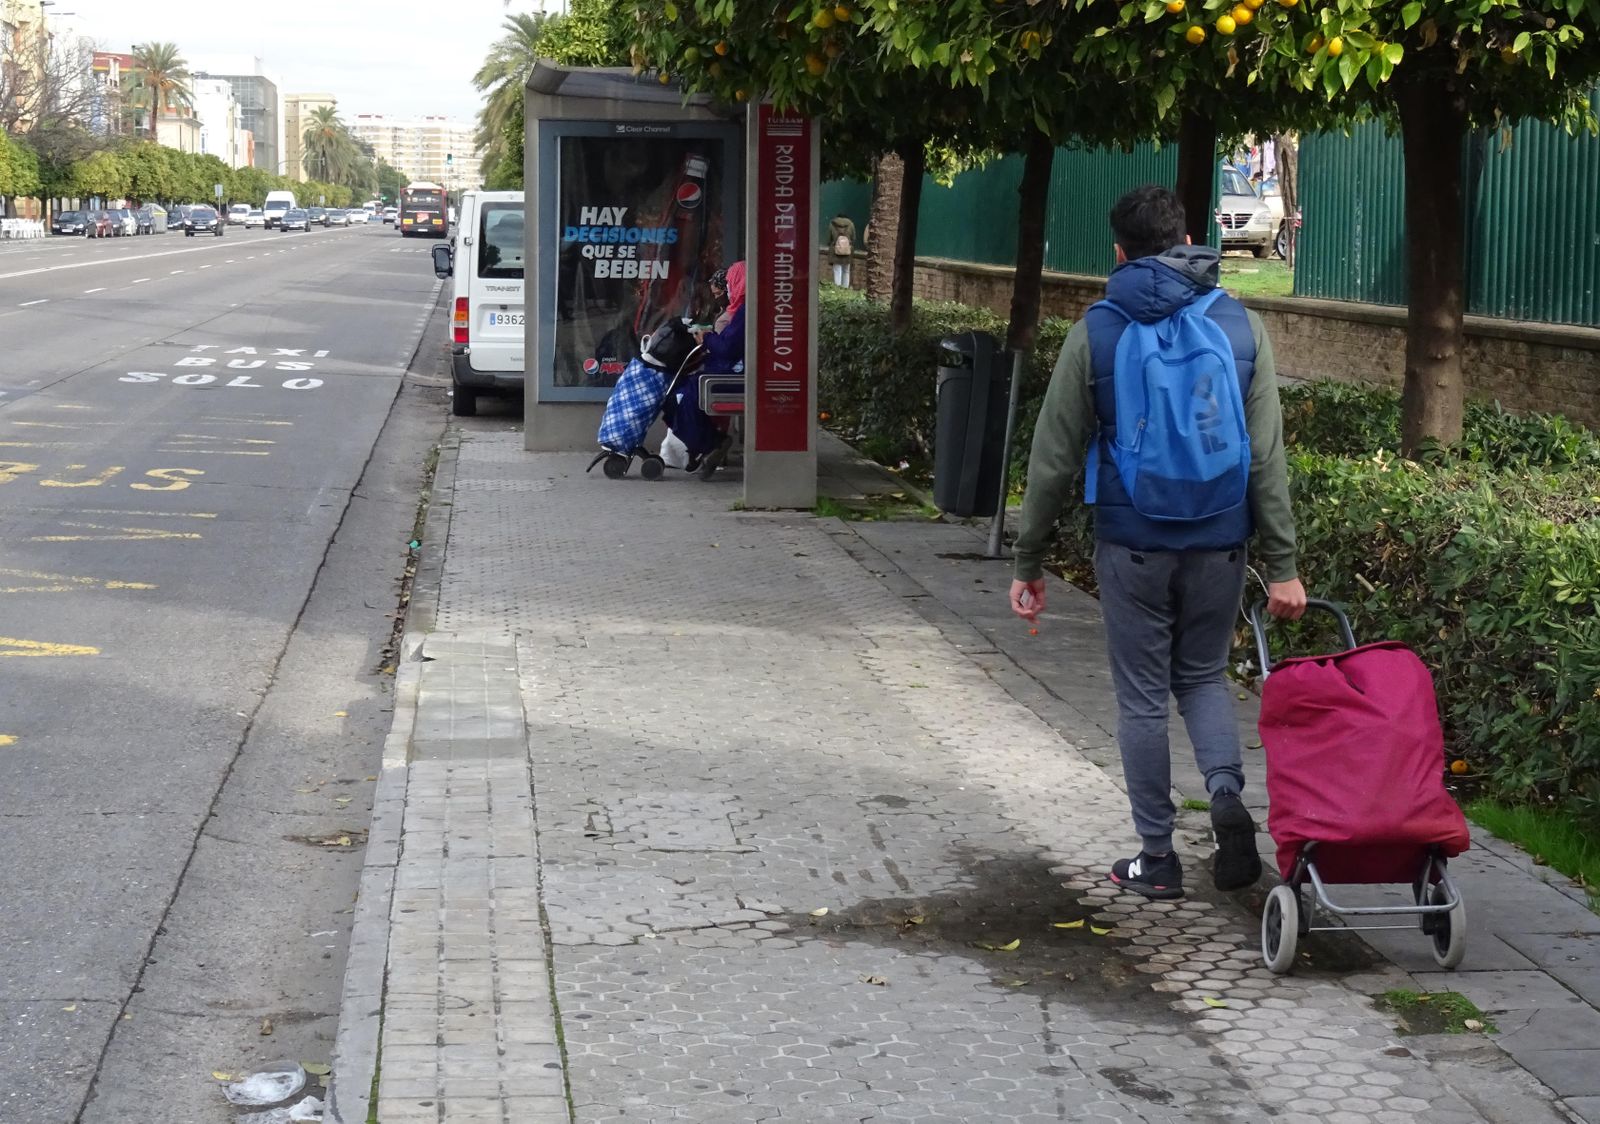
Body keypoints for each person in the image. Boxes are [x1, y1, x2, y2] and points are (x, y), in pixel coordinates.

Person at [1008, 184, 1308, 902]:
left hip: (1132, 540)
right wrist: (1282, 565)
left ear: (1118, 251)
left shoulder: (1099, 329)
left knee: (1141, 698)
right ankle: (1228, 798)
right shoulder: (1240, 327)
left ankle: (1157, 858)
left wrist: (1029, 559)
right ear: (1187, 240)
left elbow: (1052, 457)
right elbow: (1266, 456)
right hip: (1220, 540)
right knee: (1202, 678)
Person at [670, 261, 745, 474]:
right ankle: (707, 444)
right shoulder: (742, 309)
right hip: (726, 370)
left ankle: (708, 444)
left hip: (730, 375)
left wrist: (707, 339)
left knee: (683, 396)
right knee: (682, 393)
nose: (728, 288)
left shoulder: (745, 311)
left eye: (730, 283)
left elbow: (728, 348)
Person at [828, 212, 857, 288]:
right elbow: (853, 238)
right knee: (846, 271)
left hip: (835, 250)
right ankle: (845, 288)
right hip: (847, 251)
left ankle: (837, 288)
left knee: (837, 270)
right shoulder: (851, 224)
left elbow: (829, 237)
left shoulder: (832, 223)